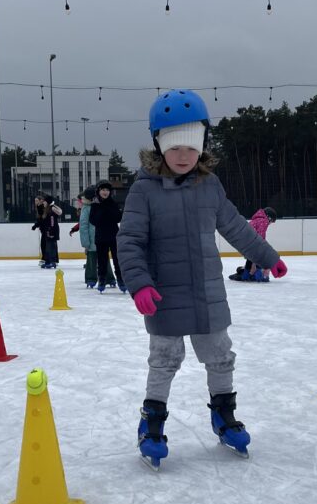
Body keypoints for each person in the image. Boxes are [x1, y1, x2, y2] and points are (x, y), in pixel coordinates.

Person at [117, 89, 287, 468]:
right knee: (164, 359)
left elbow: (235, 227)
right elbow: (129, 240)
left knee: (221, 357)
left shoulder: (209, 185)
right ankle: (152, 424)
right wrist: (139, 283)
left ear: (203, 145)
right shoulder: (144, 190)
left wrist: (265, 256)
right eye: (174, 146)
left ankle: (223, 416)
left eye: (191, 146)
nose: (183, 155)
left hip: (208, 293)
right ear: (158, 144)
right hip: (164, 294)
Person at [90, 180, 126, 293]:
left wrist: (107, 208)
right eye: (103, 190)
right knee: (102, 260)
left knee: (117, 259)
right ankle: (101, 279)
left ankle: (121, 279)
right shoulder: (95, 205)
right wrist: (102, 208)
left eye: (107, 190)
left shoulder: (113, 203)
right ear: (98, 191)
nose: (105, 192)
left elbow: (118, 218)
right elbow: (93, 220)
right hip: (101, 237)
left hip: (114, 236)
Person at [229, 206, 278, 282]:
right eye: (271, 222)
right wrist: (254, 265)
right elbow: (259, 240)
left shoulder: (256, 220)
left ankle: (246, 274)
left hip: (242, 242)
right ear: (269, 218)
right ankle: (258, 275)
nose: (270, 224)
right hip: (249, 243)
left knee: (253, 257)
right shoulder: (263, 221)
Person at [32, 195, 61, 268]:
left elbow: (52, 222)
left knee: (52, 246)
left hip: (51, 231)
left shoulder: (51, 210)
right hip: (48, 230)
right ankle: (48, 261)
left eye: (44, 201)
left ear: (47, 202)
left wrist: (51, 231)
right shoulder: (46, 209)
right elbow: (42, 219)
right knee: (47, 246)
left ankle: (53, 261)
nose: (43, 203)